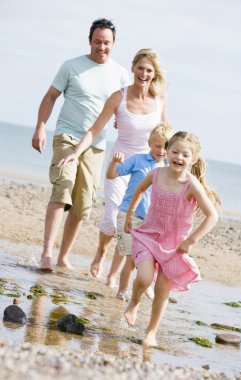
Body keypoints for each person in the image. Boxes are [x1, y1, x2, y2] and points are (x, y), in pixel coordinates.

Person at [59, 48, 169, 282]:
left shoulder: (159, 101)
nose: (144, 73)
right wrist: (77, 153)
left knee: (131, 223)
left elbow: (167, 136)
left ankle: (113, 275)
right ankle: (101, 251)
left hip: (147, 169)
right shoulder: (118, 97)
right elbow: (95, 129)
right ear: (133, 68)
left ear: (154, 73)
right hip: (120, 164)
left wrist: (178, 167)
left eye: (149, 70)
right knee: (111, 219)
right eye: (140, 68)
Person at [31, 18, 130, 271]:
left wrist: (121, 122)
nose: (102, 47)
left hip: (95, 145)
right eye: (97, 41)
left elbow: (123, 109)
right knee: (63, 188)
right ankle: (46, 254)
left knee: (83, 202)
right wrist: (41, 126)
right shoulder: (71, 66)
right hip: (67, 135)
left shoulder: (121, 75)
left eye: (106, 42)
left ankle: (64, 255)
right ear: (90, 41)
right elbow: (50, 97)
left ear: (113, 43)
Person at [124, 131, 221, 347]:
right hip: (148, 235)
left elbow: (212, 215)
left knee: (161, 290)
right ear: (166, 151)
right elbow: (139, 189)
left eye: (185, 155)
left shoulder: (191, 184)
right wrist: (129, 215)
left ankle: (151, 332)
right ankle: (134, 300)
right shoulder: (156, 174)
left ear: (193, 159)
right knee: (144, 278)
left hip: (173, 247)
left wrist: (191, 241)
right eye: (175, 151)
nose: (179, 157)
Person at [106, 124, 174, 301]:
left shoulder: (168, 169)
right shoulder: (138, 160)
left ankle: (145, 286)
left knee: (147, 259)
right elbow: (111, 175)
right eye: (157, 145)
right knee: (130, 257)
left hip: (151, 221)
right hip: (129, 215)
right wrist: (115, 161)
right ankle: (122, 291)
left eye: (165, 146)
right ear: (149, 143)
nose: (161, 150)